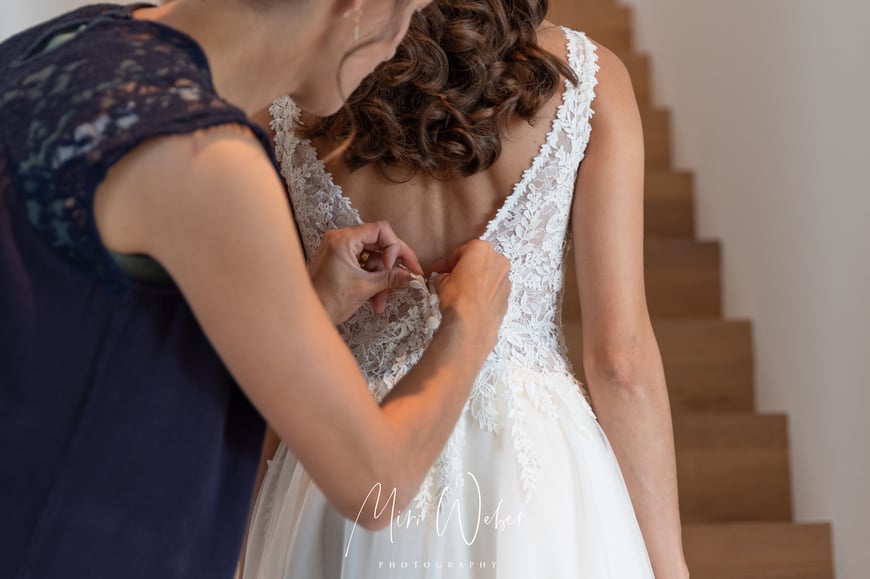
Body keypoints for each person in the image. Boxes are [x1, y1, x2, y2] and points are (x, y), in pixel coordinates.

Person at [0, 1, 513, 578]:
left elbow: (88, 328)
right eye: (407, 10)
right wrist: (470, 323)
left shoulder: (58, 44)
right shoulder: (206, 158)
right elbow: (378, 484)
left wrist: (307, 302)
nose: (401, 41)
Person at [243, 0, 690, 577]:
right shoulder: (589, 81)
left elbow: (268, 354)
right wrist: (670, 565)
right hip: (532, 471)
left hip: (348, 463)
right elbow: (621, 363)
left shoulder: (294, 96)